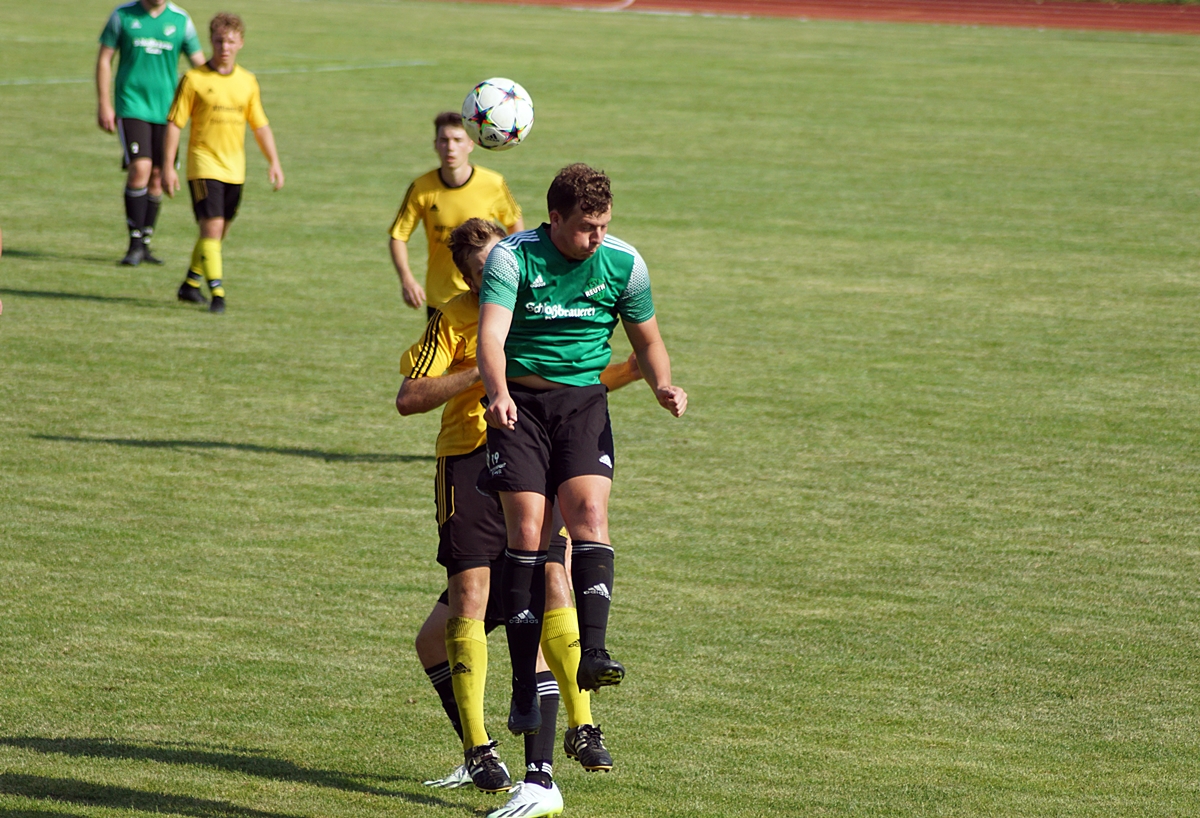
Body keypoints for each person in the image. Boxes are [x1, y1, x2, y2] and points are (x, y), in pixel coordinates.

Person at [397, 219, 636, 816]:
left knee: (551, 579)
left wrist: (627, 374)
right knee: (466, 604)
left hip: (532, 462)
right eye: (480, 274)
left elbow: (562, 381)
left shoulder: (535, 295)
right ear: (466, 277)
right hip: (468, 466)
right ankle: (481, 748)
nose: (492, 280)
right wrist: (483, 369)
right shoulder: (450, 318)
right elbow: (408, 397)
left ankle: (581, 726)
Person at [476, 165, 687, 730]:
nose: (597, 238)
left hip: (582, 405)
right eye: (587, 227)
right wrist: (497, 392)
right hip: (519, 403)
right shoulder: (512, 258)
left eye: (604, 225)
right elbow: (491, 335)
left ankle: (593, 652)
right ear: (555, 218)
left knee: (590, 513)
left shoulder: (625, 262)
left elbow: (649, 340)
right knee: (528, 535)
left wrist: (663, 382)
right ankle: (524, 681)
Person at [162, 12, 283, 313]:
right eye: (218, 41)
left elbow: (259, 125)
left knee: (217, 232)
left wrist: (274, 161)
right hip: (203, 165)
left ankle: (190, 284)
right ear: (210, 41)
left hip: (235, 169)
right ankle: (218, 293)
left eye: (230, 41)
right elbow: (175, 124)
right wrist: (167, 166)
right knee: (212, 228)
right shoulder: (194, 79)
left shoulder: (247, 82)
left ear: (241, 43)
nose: (224, 47)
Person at [97, 0, 206, 266]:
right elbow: (104, 59)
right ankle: (134, 245)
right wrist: (104, 103)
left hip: (168, 112)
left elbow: (200, 66)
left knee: (158, 176)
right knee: (141, 169)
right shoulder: (122, 15)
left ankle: (145, 243)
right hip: (132, 105)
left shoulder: (181, 20)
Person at [388, 113, 523, 318]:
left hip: (487, 294)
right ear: (435, 144)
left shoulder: (493, 183)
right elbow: (398, 236)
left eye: (457, 140)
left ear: (471, 143)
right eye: (444, 140)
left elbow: (514, 224)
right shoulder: (422, 188)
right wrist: (407, 279)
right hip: (442, 300)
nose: (450, 147)